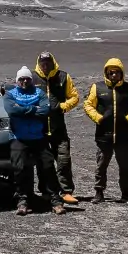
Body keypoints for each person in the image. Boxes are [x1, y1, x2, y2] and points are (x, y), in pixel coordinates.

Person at [83, 57, 128, 203]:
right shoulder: (97, 87)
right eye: (111, 72)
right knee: (101, 164)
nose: (114, 75)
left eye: (117, 72)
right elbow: (88, 105)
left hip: (123, 136)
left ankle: (126, 194)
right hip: (104, 135)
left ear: (121, 73)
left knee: (124, 166)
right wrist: (98, 118)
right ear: (107, 73)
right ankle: (99, 192)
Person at [4, 67, 63, 216]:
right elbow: (11, 111)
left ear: (31, 80)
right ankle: (22, 200)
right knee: (20, 168)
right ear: (17, 80)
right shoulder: (10, 94)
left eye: (28, 79)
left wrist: (22, 109)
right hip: (19, 138)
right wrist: (33, 109)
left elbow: (46, 110)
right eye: (22, 79)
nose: (25, 81)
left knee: (48, 167)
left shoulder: (39, 93)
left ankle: (55, 200)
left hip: (38, 137)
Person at [33, 52, 81, 204]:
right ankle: (45, 191)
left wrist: (62, 107)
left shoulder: (62, 77)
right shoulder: (33, 78)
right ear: (39, 63)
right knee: (43, 163)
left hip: (58, 128)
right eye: (43, 63)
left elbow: (74, 97)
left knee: (64, 160)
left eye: (48, 62)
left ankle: (66, 191)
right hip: (39, 129)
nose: (45, 65)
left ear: (53, 62)